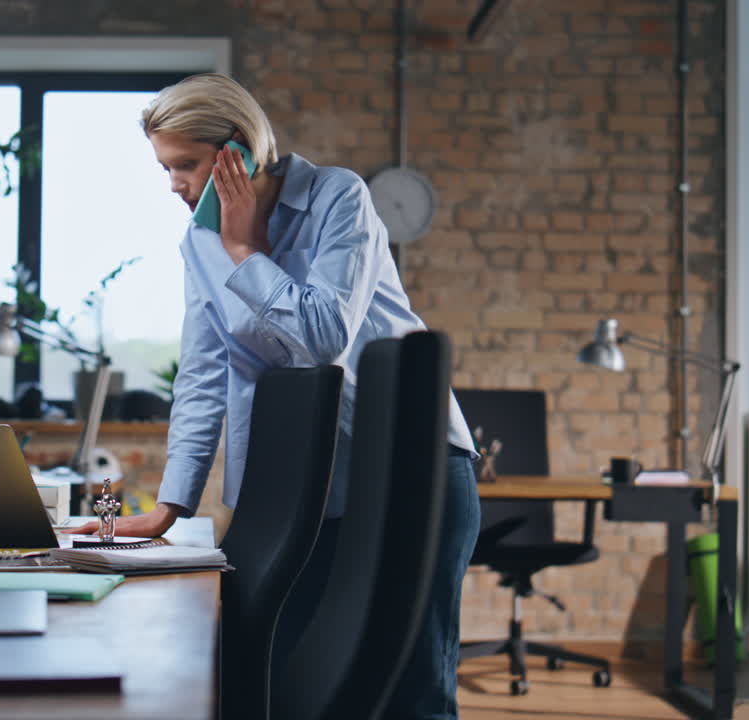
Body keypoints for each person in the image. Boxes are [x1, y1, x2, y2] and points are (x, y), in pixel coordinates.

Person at [69, 73, 480, 719]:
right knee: (290, 673)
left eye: (185, 164)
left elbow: (321, 339)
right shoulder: (198, 245)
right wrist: (168, 506)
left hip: (410, 469)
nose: (173, 184)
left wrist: (246, 252)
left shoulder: (336, 199)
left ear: (237, 151)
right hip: (305, 491)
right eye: (164, 167)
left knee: (412, 687)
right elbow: (203, 376)